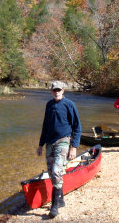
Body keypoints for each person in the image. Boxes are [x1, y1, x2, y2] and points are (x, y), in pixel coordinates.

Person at [36, 80, 82, 218]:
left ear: (63, 91)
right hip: (49, 143)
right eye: (54, 90)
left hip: (63, 141)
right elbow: (45, 126)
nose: (56, 92)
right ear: (51, 91)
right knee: (51, 172)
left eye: (59, 90)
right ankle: (61, 199)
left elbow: (77, 127)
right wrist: (40, 145)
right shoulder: (49, 105)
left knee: (57, 171)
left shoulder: (69, 105)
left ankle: (54, 205)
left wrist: (74, 147)